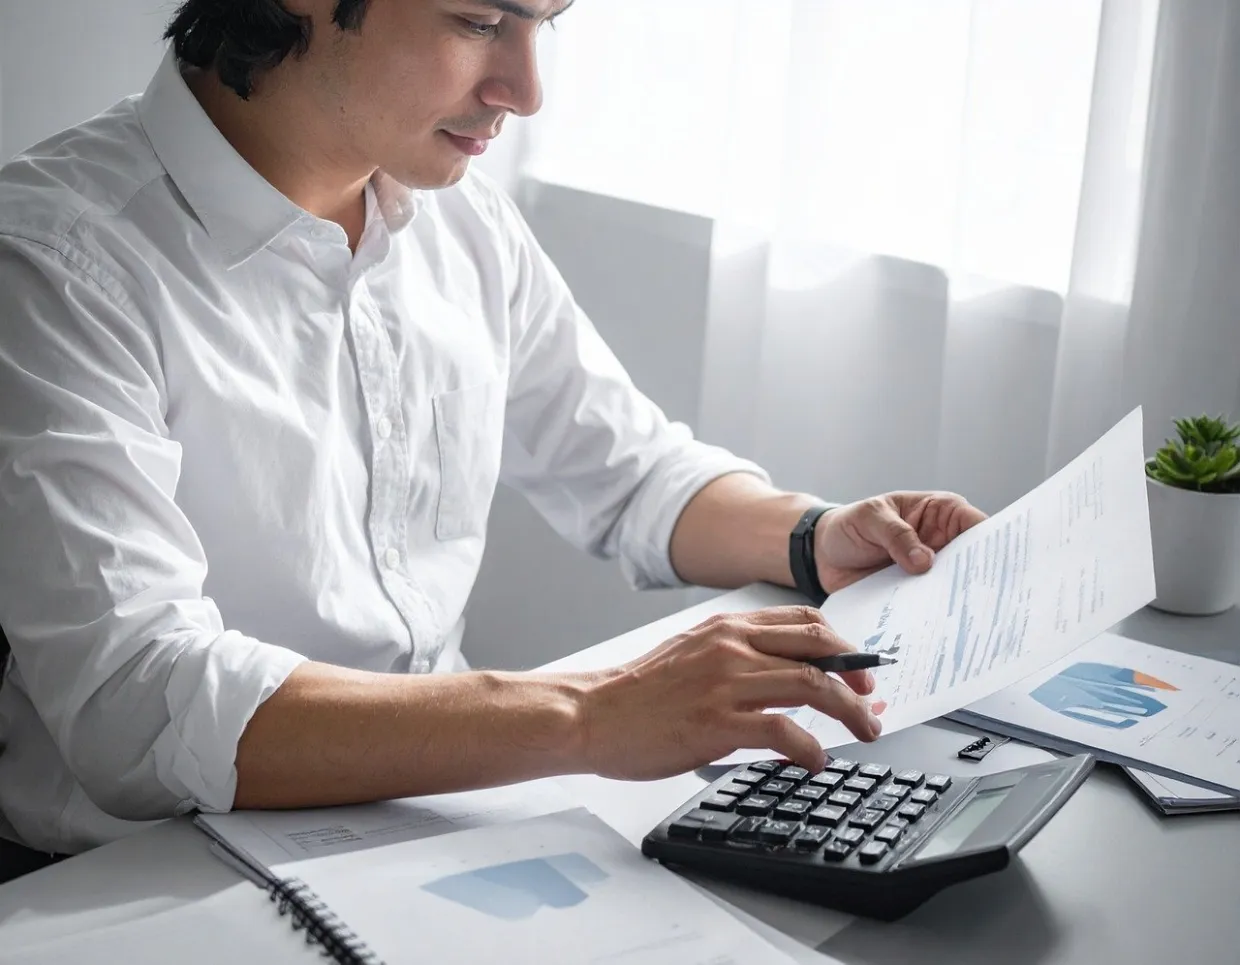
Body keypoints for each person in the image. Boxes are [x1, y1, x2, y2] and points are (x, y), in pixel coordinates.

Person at [0, 0, 985, 863]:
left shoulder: (456, 218)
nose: (525, 88)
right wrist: (591, 714)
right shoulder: (54, 260)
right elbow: (134, 702)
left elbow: (630, 470)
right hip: (136, 881)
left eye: (544, 25)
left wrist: (814, 534)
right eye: (481, 22)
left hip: (427, 830)